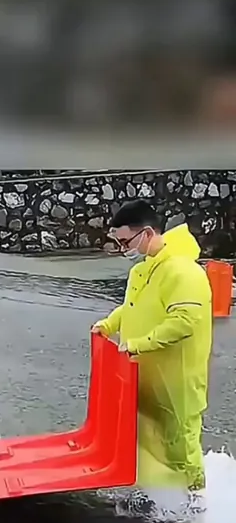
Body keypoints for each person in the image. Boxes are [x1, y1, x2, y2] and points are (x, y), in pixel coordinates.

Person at [92, 199, 212, 493]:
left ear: (146, 233)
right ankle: (158, 495)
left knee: (180, 442)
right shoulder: (143, 271)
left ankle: (195, 502)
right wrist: (110, 324)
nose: (123, 249)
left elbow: (185, 321)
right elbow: (132, 307)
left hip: (177, 379)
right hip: (145, 372)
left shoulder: (183, 272)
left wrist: (139, 344)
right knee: (147, 437)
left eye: (125, 241)